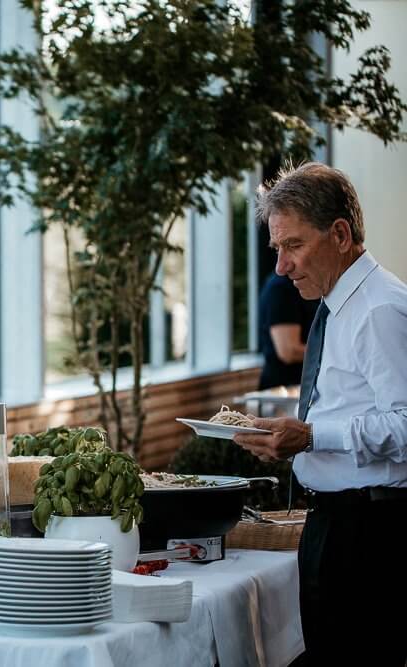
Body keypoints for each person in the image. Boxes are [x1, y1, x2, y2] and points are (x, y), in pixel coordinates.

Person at [233, 162, 407, 665]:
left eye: (294, 246)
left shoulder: (380, 309)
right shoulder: (340, 305)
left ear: (340, 233)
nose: (281, 268)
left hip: (370, 534)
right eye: (277, 249)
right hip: (337, 523)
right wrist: (288, 435)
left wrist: (311, 437)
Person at [256, 272, 318, 391]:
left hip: (303, 386)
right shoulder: (281, 289)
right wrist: (334, 353)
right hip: (283, 392)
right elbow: (289, 351)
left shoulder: (309, 288)